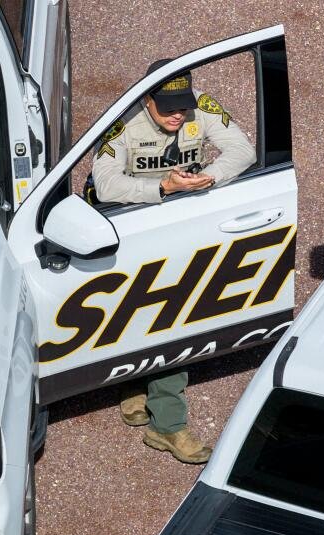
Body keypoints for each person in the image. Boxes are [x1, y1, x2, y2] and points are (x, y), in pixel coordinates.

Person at [90, 60, 256, 464]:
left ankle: (166, 423)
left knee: (173, 316)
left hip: (179, 225)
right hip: (128, 224)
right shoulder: (123, 118)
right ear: (146, 99)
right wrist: (162, 187)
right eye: (168, 108)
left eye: (183, 106)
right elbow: (105, 183)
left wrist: (211, 177)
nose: (179, 115)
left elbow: (243, 150)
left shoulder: (200, 105)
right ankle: (135, 380)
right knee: (131, 310)